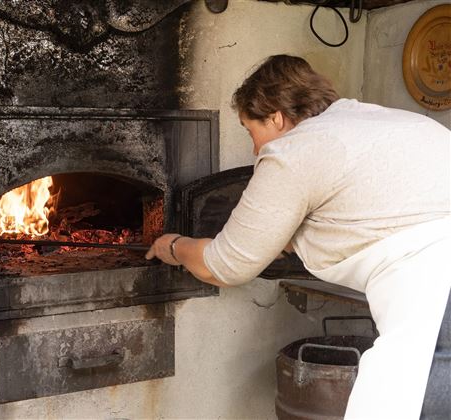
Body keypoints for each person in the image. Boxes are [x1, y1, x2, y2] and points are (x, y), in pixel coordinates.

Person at [145, 54, 451, 419]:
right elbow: (369, 216)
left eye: (250, 130)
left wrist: (175, 247)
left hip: (437, 307)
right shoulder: (381, 122)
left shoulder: (296, 149)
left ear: (276, 116)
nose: (256, 149)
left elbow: (224, 266)